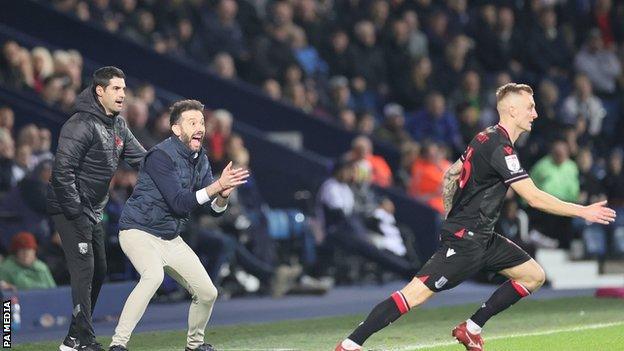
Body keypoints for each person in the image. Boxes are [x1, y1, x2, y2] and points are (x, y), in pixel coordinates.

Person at [335, 83, 616, 351]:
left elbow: (451, 174)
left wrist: (453, 213)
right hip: (465, 241)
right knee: (414, 295)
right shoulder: (500, 148)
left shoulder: (485, 136)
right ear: (513, 111)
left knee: (533, 275)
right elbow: (532, 197)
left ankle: (472, 327)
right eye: (530, 107)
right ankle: (351, 343)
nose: (535, 113)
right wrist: (583, 210)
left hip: (483, 236)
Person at [108, 100, 249, 351]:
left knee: (208, 293)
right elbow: (179, 203)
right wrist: (215, 187)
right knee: (153, 277)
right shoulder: (160, 156)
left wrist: (223, 195)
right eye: (192, 122)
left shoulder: (201, 158)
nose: (200, 128)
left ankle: (194, 346)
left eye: (202, 122)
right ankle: (118, 344)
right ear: (176, 129)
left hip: (170, 237)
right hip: (138, 230)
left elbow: (212, 211)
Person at [47, 66, 146, 351]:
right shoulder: (79, 124)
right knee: (84, 269)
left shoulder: (118, 125)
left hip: (93, 209)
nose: (122, 95)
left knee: (99, 269)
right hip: (70, 206)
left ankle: (73, 338)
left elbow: (143, 160)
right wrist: (76, 210)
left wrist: (175, 160)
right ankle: (86, 340)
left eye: (124, 89)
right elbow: (62, 171)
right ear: (99, 91)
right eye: (116, 89)